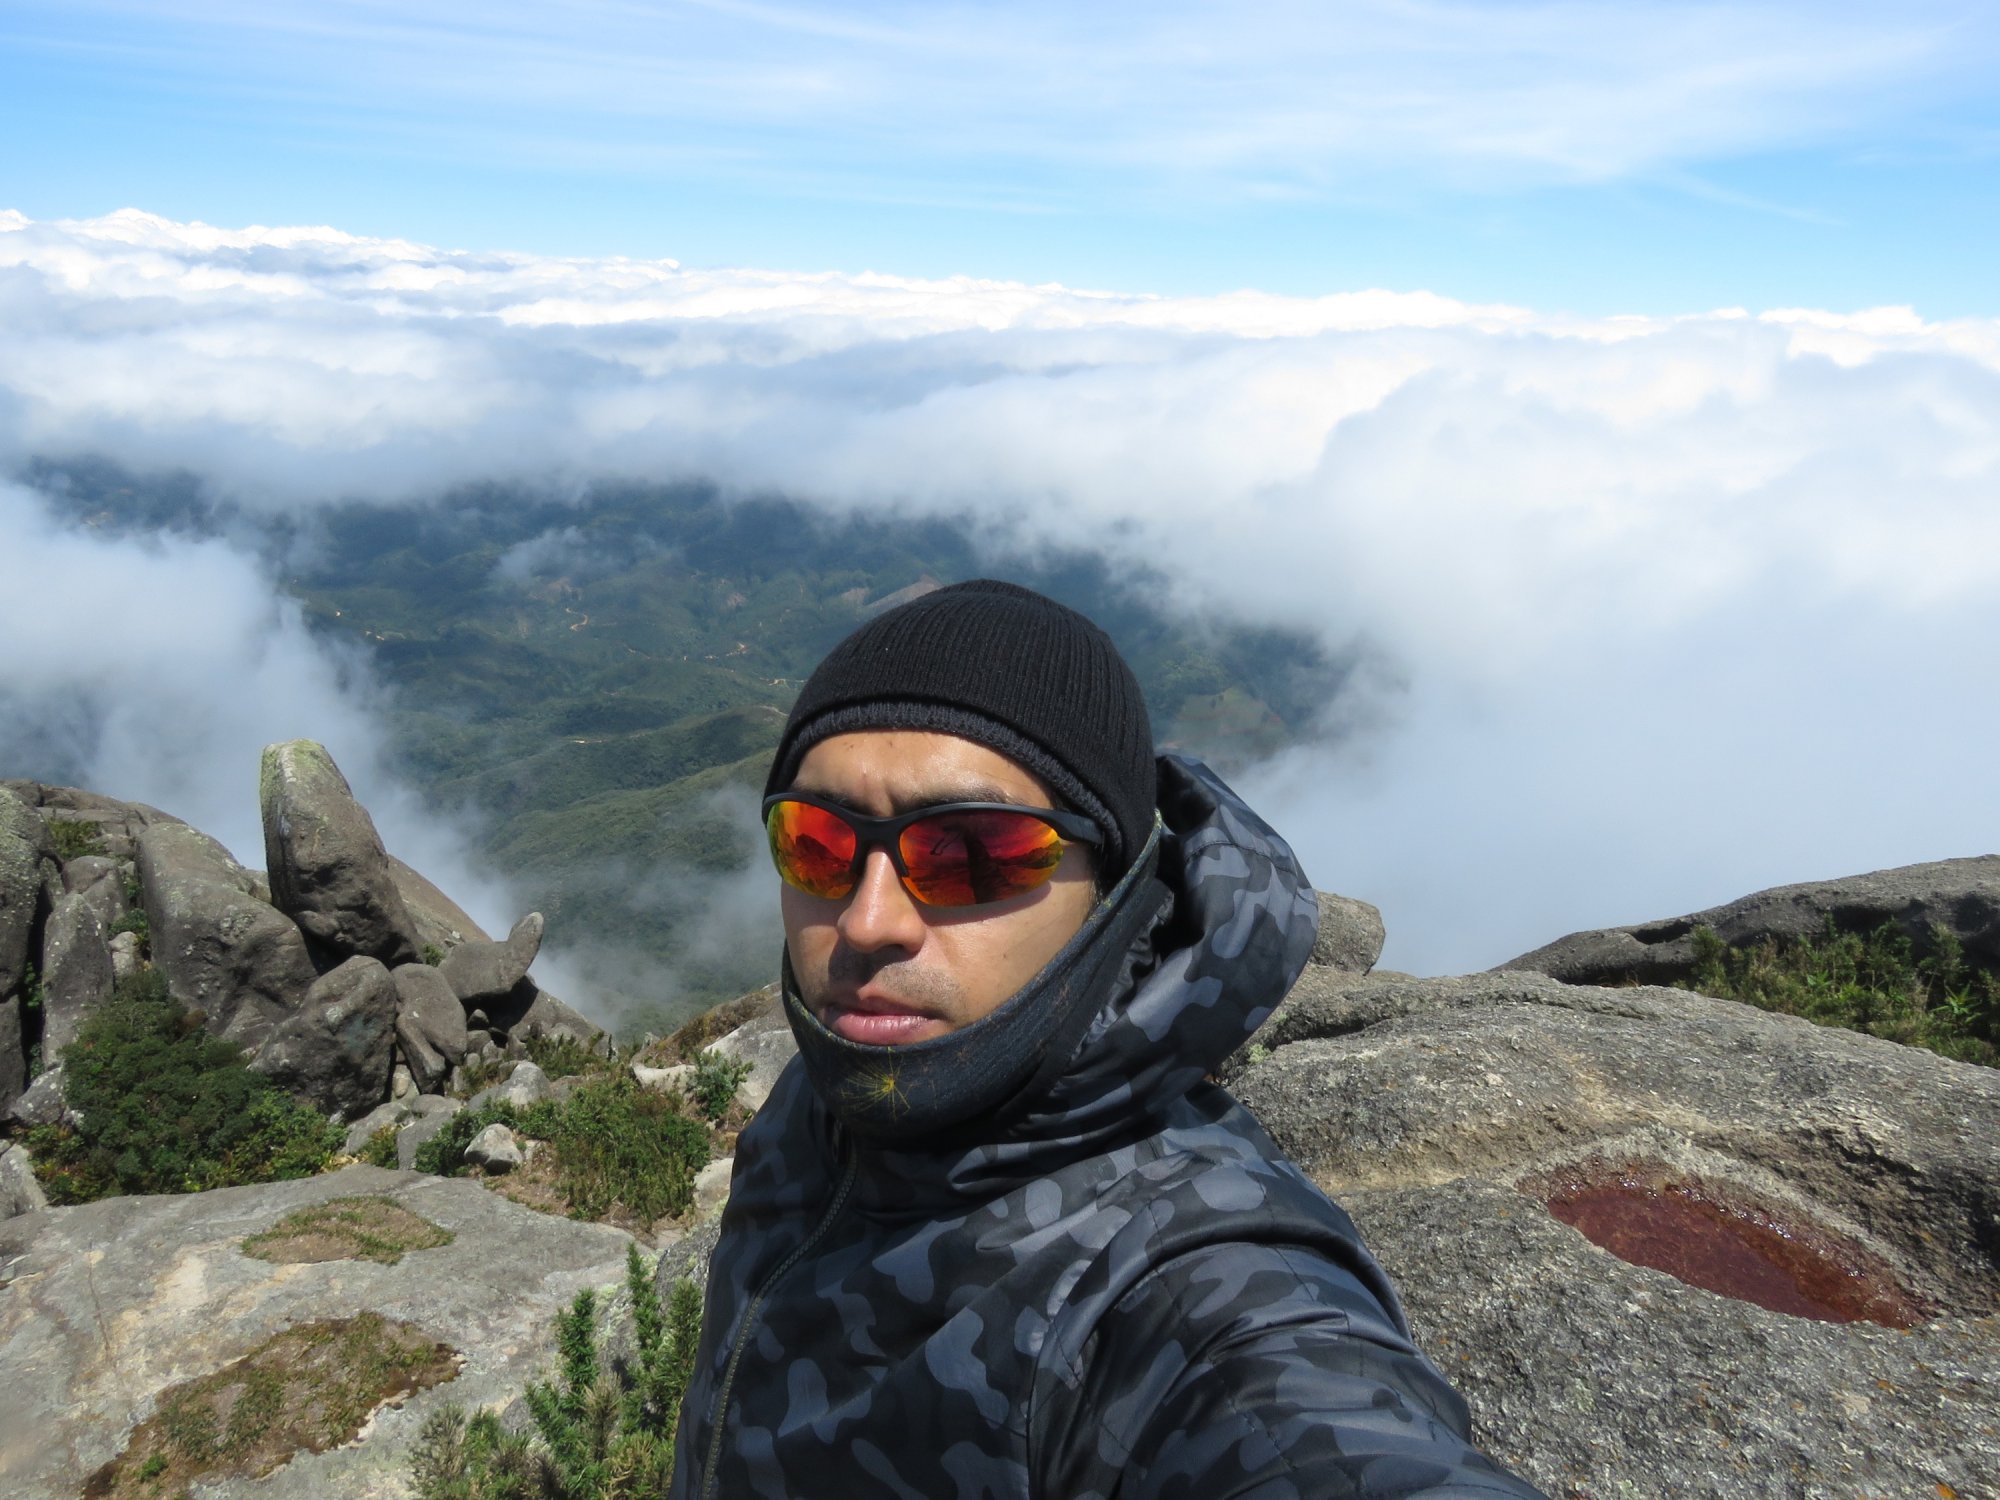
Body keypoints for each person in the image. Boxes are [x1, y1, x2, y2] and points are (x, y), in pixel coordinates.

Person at [669, 579, 1545, 1499]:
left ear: (1112, 892)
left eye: (973, 853)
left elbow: (1314, 1444)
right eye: (815, 841)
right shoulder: (821, 1106)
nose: (866, 920)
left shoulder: (1186, 1292)